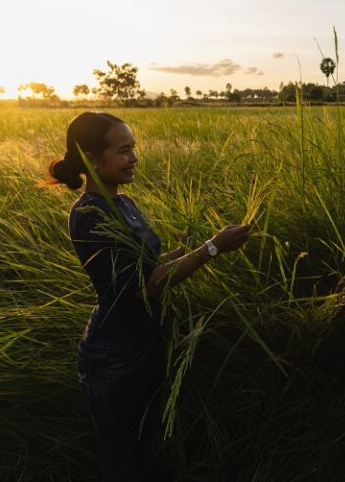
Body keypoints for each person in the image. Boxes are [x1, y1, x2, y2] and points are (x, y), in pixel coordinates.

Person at [48, 111, 250, 481]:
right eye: (123, 150)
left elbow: (147, 265)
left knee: (144, 452)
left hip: (143, 345)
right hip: (113, 357)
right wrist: (211, 249)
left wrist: (185, 251)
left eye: (133, 148)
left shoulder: (122, 204)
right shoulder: (89, 215)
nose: (134, 158)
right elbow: (142, 286)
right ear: (93, 159)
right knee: (122, 462)